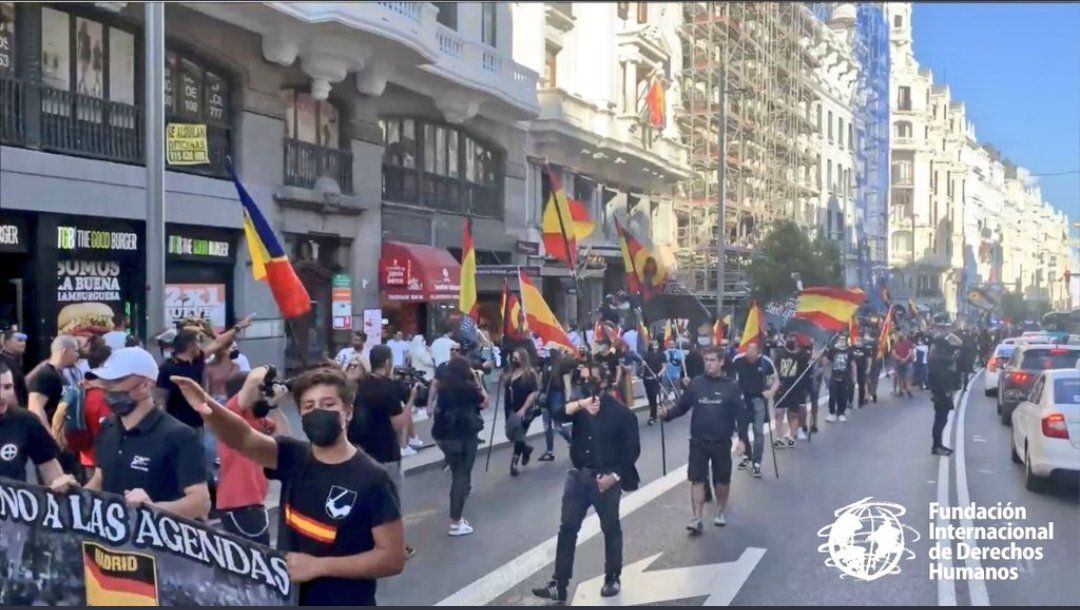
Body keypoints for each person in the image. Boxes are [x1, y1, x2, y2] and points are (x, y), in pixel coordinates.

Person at [168, 366, 406, 605]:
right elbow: (244, 438)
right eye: (309, 406)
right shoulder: (293, 457)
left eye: (328, 404)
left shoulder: (373, 478)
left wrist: (319, 566)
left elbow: (392, 558)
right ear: (301, 414)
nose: (318, 412)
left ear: (348, 412)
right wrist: (208, 408)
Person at [52, 347, 211, 520]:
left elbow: (201, 502)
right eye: (105, 381)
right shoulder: (107, 427)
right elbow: (100, 480)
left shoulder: (179, 435)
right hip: (110, 541)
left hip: (157, 542)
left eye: (117, 380)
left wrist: (153, 508)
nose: (108, 388)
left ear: (146, 384)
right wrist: (73, 493)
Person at [532, 360, 640, 603]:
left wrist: (614, 477)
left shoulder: (622, 414)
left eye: (588, 380)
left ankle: (612, 577)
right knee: (567, 528)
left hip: (605, 481)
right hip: (578, 477)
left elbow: (631, 451)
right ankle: (559, 583)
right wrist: (580, 404)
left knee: (610, 528)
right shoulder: (580, 407)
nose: (583, 384)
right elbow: (557, 412)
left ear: (602, 382)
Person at [660, 346, 743, 533]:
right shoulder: (696, 384)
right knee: (697, 479)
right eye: (706, 360)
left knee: (722, 481)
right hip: (698, 441)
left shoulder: (731, 386)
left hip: (722, 441)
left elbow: (741, 414)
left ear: (721, 362)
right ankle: (696, 517)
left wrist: (743, 439)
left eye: (713, 360)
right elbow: (682, 407)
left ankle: (720, 511)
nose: (709, 364)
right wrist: (667, 415)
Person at [431, 356, 488, 536]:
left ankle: (456, 519)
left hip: (446, 438)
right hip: (464, 437)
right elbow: (485, 401)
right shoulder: (468, 388)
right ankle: (455, 522)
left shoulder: (444, 388)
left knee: (457, 476)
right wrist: (477, 379)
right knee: (461, 477)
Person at [0, 361, 72, 488]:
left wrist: (60, 483)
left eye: (7, 387)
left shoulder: (25, 421)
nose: (2, 396)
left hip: (12, 504)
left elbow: (49, 466)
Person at [731, 343, 778, 477]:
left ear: (757, 351)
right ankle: (748, 455)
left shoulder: (765, 362)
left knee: (758, 432)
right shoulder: (738, 360)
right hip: (742, 400)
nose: (749, 353)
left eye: (752, 351)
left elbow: (776, 380)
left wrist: (771, 392)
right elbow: (730, 377)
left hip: (759, 400)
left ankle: (757, 462)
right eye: (748, 350)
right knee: (742, 430)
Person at [27, 335, 80, 427]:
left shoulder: (57, 374)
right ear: (65, 351)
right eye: (75, 350)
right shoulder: (46, 375)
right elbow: (35, 408)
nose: (78, 355)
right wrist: (50, 436)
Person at [504, 347, 540, 477]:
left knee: (519, 435)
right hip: (510, 409)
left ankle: (513, 463)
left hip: (524, 410)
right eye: (513, 357)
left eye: (517, 357)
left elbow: (535, 392)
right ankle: (526, 449)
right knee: (510, 434)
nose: (514, 360)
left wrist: (525, 408)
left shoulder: (529, 374)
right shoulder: (510, 374)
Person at [773, 333, 811, 444]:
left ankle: (791, 435)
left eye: (793, 338)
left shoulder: (802, 355)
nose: (791, 340)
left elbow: (807, 370)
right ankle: (779, 437)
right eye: (789, 337)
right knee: (778, 413)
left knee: (793, 414)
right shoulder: (779, 354)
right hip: (781, 387)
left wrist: (813, 359)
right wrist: (775, 381)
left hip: (795, 388)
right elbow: (775, 369)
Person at [927, 334, 961, 456]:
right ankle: (936, 446)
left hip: (941, 391)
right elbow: (943, 375)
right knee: (940, 420)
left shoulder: (937, 356)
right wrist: (947, 390)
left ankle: (938, 444)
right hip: (941, 392)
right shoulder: (938, 358)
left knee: (942, 419)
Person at [537, 349, 574, 461]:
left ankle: (573, 442)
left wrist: (568, 399)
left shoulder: (562, 365)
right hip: (546, 395)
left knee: (558, 425)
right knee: (547, 425)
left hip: (557, 394)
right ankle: (549, 451)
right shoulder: (545, 362)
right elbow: (540, 380)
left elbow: (567, 382)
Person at [825, 336, 855, 423]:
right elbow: (827, 362)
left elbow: (853, 364)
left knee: (843, 396)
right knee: (832, 396)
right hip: (834, 376)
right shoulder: (833, 350)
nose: (841, 341)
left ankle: (841, 413)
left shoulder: (849, 352)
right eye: (840, 340)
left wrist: (854, 377)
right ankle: (831, 413)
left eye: (843, 340)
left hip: (845, 377)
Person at [0, 326, 28, 407]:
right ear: (6, 342)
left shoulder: (13, 361)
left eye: (24, 340)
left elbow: (22, 383)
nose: (23, 343)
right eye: (19, 340)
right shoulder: (5, 361)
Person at [643, 341, 666, 425]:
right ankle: (653, 414)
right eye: (653, 344)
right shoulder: (647, 354)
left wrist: (658, 375)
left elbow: (664, 367)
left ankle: (654, 415)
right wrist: (643, 364)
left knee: (655, 396)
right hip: (647, 378)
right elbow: (643, 367)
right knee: (650, 398)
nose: (655, 345)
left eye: (656, 344)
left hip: (656, 379)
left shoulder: (661, 355)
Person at [891, 332, 915, 398]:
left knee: (901, 377)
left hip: (899, 362)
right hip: (907, 362)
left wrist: (900, 359)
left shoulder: (896, 343)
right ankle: (908, 391)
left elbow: (894, 353)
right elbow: (910, 353)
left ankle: (901, 391)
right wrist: (905, 359)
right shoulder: (909, 343)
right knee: (907, 378)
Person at [851, 335, 871, 408]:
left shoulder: (865, 349)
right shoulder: (851, 348)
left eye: (859, 340)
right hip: (851, 370)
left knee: (861, 386)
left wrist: (868, 368)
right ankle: (850, 401)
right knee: (850, 386)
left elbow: (869, 359)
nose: (858, 341)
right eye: (857, 340)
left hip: (862, 369)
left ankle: (861, 401)